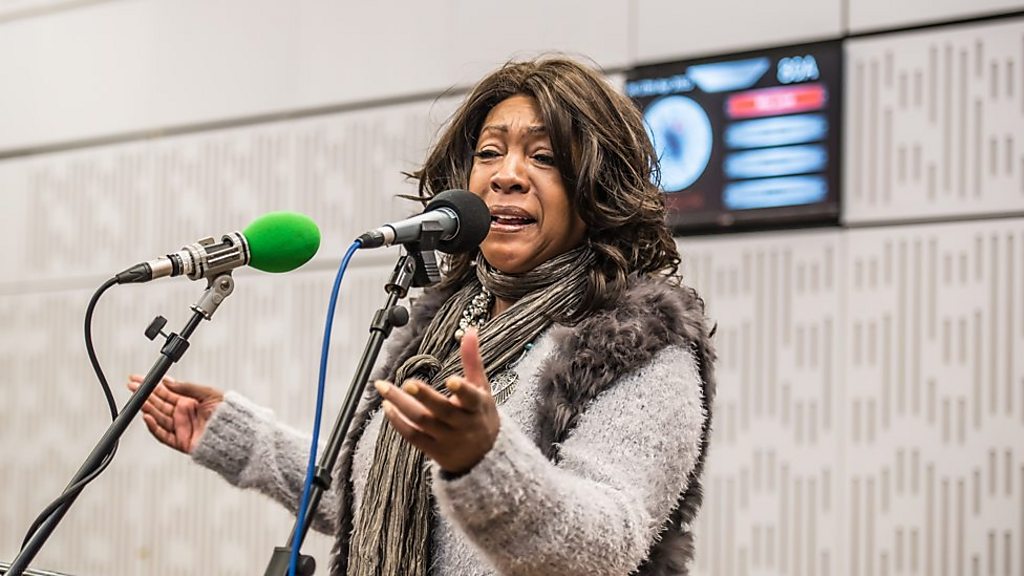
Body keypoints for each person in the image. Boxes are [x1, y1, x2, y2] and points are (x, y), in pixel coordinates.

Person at [127, 56, 716, 576]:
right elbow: (369, 499)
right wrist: (240, 437)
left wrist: (485, 461)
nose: (507, 174)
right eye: (489, 153)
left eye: (544, 156)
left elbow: (607, 545)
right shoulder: (438, 326)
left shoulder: (639, 343)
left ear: (599, 187)